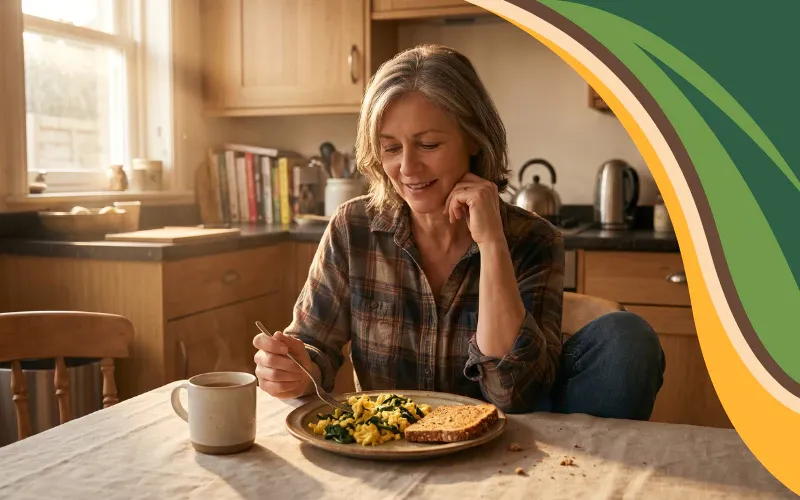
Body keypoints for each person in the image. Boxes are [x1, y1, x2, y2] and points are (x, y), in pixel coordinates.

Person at [253, 44, 665, 418]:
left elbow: (515, 395)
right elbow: (312, 349)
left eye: (429, 144)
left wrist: (492, 245)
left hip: (511, 450)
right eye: (392, 148)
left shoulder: (533, 239)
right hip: (393, 448)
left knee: (627, 338)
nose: (408, 169)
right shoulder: (352, 228)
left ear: (474, 138)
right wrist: (295, 365)